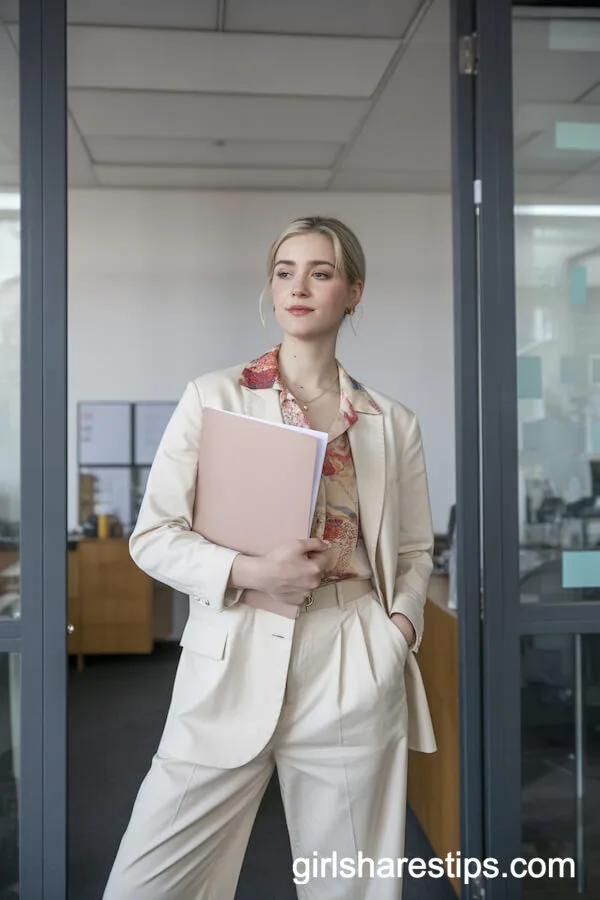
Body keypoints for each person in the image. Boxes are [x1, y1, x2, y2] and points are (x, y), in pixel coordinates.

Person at [103, 216, 436, 900]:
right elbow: (154, 534)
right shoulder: (214, 397)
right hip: (232, 649)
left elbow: (412, 550)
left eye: (321, 272)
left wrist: (396, 632)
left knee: (349, 884)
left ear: (353, 292)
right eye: (285, 272)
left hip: (351, 658)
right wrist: (251, 572)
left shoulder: (391, 421)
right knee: (147, 882)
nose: (299, 287)